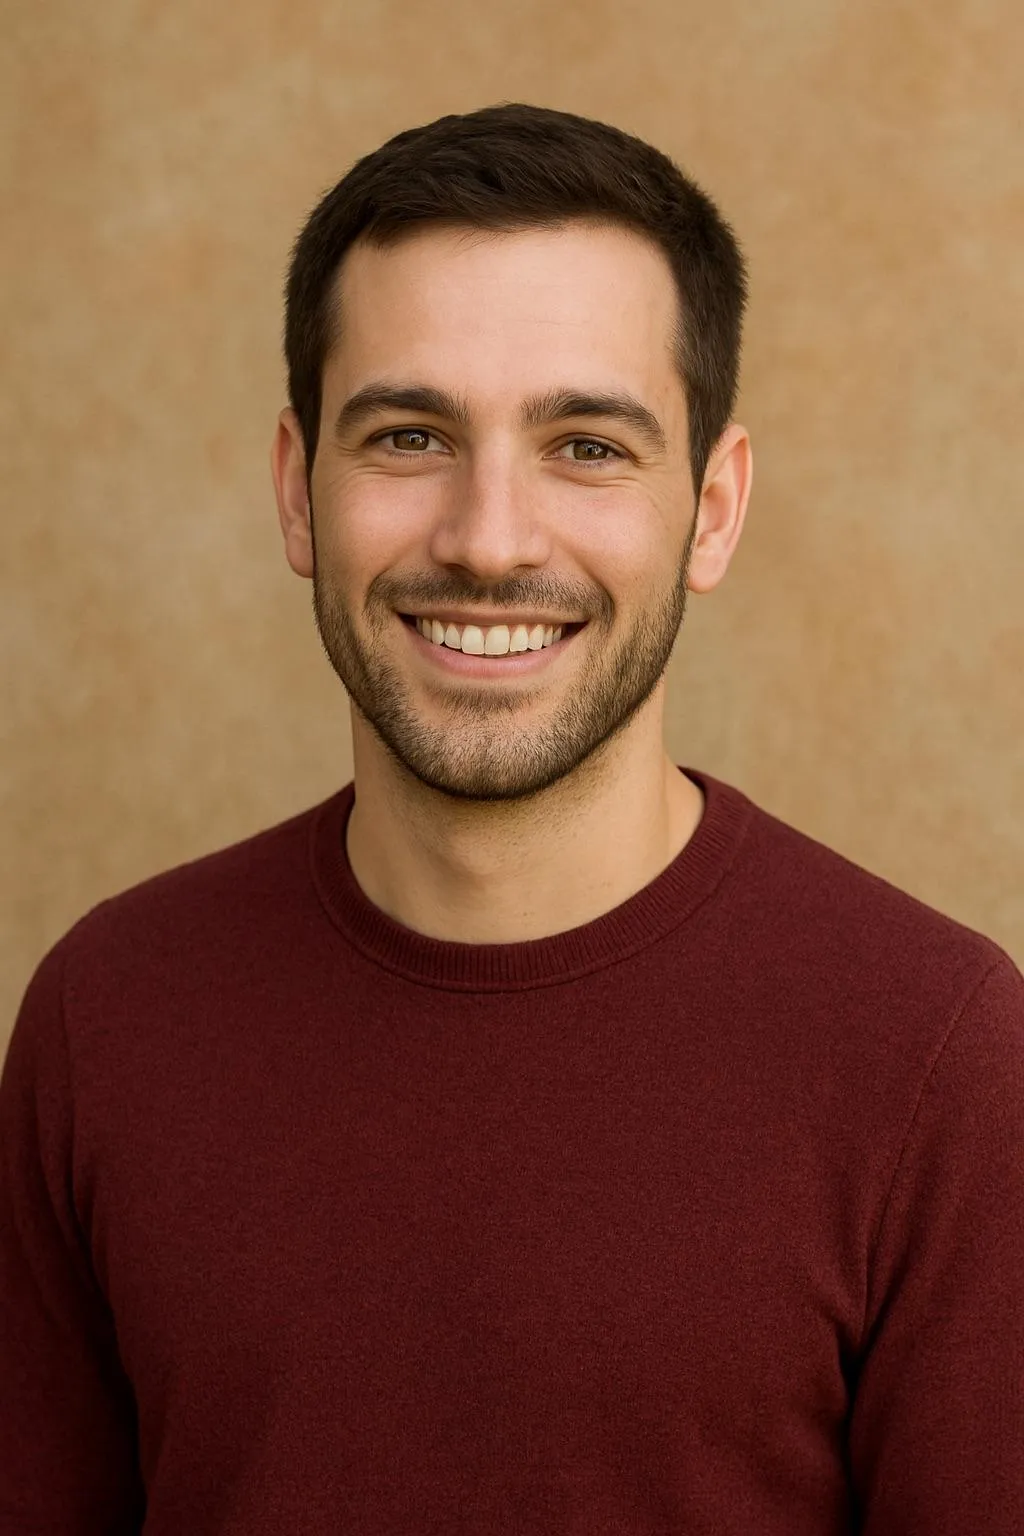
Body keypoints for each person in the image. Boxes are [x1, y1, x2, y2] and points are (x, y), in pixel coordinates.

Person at [2, 103, 1022, 1535]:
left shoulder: (938, 1049)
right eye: (411, 435)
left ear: (712, 510)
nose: (489, 538)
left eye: (587, 447)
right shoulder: (102, 1019)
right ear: (299, 492)